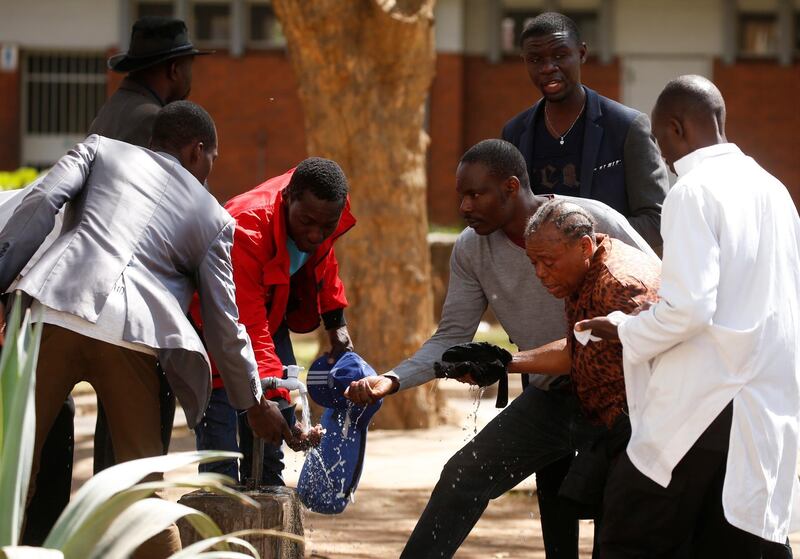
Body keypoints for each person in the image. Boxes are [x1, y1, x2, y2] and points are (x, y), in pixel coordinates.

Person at [0, 101, 294, 558]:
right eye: (212, 160)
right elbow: (224, 324)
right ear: (198, 151)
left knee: (11, 472)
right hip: (134, 338)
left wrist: (3, 282)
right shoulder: (213, 217)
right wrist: (253, 404)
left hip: (55, 310)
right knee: (141, 494)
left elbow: (40, 202)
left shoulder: (100, 150)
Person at [345, 139, 655, 559]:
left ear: (511, 188)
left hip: (626, 399)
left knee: (611, 519)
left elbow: (658, 294)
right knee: (464, 473)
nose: (464, 207)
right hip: (551, 394)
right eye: (461, 196)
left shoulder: (589, 220)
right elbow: (451, 336)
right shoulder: (472, 249)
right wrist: (393, 379)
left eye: (475, 194)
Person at [577, 76, 800, 558]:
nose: (662, 159)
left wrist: (624, 327)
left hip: (707, 402)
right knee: (736, 541)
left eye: (660, 143)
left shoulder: (692, 191)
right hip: (766, 402)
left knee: (630, 532)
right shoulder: (775, 190)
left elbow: (690, 309)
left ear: (675, 128)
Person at [21, 17, 211, 545]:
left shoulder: (113, 110)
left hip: (58, 296)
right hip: (124, 309)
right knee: (134, 467)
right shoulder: (156, 123)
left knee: (24, 455)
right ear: (174, 69)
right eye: (190, 64)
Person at [193, 157, 356, 485]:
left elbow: (324, 259)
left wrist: (335, 322)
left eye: (326, 227)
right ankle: (220, 522)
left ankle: (270, 521)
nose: (315, 234)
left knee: (270, 451)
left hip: (270, 311)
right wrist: (278, 407)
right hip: (217, 326)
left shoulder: (324, 207)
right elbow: (248, 328)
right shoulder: (247, 228)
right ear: (287, 199)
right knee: (222, 447)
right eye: (307, 222)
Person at [501, 12, 668, 252]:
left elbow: (656, 221)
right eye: (536, 59)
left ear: (581, 53)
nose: (548, 68)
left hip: (609, 277)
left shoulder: (627, 127)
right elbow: (511, 217)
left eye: (560, 55)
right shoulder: (515, 133)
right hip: (538, 279)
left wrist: (580, 245)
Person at [89, 16, 210, 146]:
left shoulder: (109, 110)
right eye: (189, 67)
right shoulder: (155, 121)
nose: (191, 77)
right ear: (174, 70)